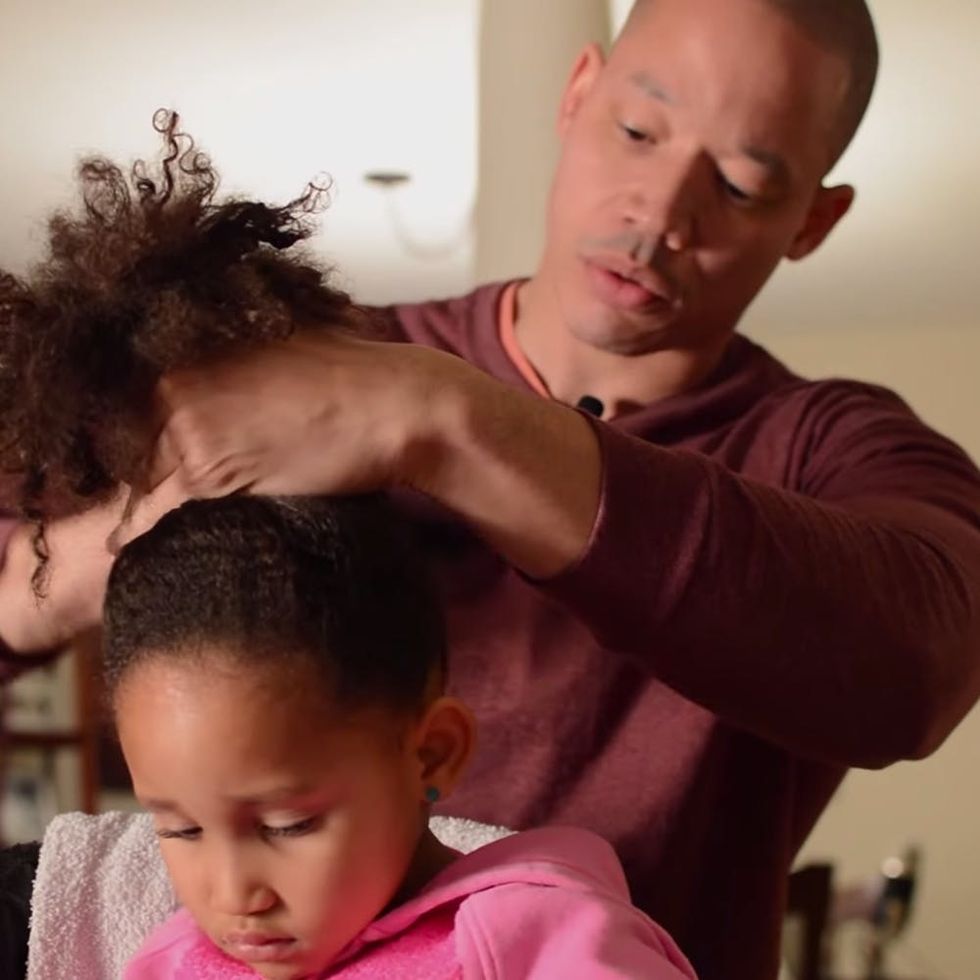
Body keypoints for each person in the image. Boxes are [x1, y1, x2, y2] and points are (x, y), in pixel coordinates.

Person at [2, 1, 979, 977]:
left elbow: (921, 659)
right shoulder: (297, 370)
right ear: (576, 94)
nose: (661, 211)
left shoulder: (830, 448)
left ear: (813, 217)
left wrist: (441, 423)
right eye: (635, 131)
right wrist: (88, 555)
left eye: (738, 181)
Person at [109, 493, 696, 979]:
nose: (236, 894)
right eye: (181, 829)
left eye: (288, 825)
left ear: (432, 753)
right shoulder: (174, 965)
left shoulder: (536, 941)